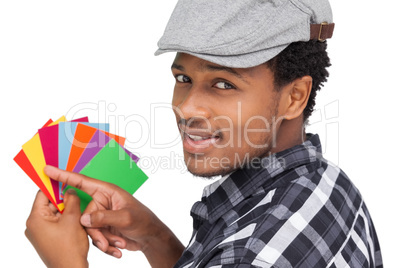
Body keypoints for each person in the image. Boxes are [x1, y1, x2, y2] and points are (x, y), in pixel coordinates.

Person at [25, 0, 383, 267]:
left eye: (224, 83)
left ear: (295, 96)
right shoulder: (331, 183)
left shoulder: (251, 256)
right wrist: (156, 237)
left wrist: (67, 263)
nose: (187, 108)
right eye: (183, 78)